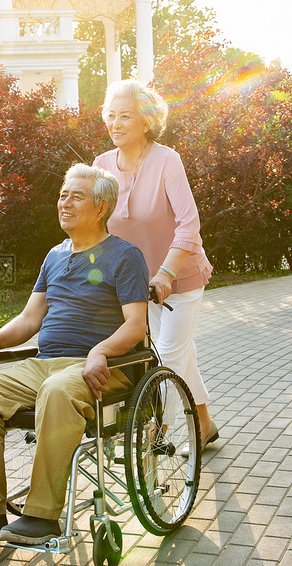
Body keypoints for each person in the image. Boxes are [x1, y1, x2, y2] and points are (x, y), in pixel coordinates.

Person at [0, 164, 149, 546]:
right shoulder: (54, 255)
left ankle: (41, 515)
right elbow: (30, 318)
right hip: (45, 365)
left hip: (100, 366)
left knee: (57, 391)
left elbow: (136, 325)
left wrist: (100, 350)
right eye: (63, 194)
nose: (64, 202)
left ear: (101, 207)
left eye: (76, 196)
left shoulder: (124, 255)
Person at [92, 79, 217, 456]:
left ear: (146, 121)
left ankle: (154, 436)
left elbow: (189, 224)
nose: (115, 123)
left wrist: (166, 272)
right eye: (110, 115)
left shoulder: (166, 160)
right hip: (136, 285)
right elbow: (96, 227)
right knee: (180, 354)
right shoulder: (100, 166)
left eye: (125, 116)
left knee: (167, 354)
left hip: (180, 278)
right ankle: (205, 425)